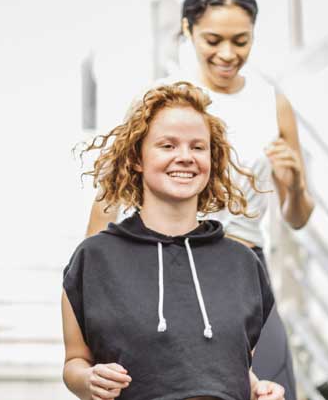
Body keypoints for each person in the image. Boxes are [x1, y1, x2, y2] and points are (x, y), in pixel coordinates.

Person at [85, 0, 311, 399]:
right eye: (213, 40)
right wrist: (93, 274)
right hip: (172, 266)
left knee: (275, 386)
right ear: (188, 30)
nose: (227, 54)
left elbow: (297, 218)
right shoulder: (162, 98)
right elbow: (111, 192)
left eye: (241, 41)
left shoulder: (272, 102)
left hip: (246, 267)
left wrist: (294, 184)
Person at [63, 82, 286, 400]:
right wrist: (88, 380)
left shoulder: (244, 263)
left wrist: (258, 388)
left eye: (198, 147)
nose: (185, 157)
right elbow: (74, 361)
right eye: (167, 146)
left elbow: (232, 365)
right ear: (137, 158)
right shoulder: (94, 257)